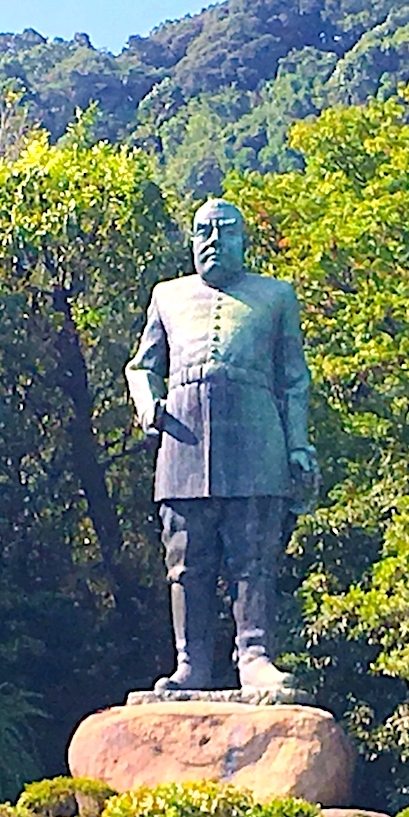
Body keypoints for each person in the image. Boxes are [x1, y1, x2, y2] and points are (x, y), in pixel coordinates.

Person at [126, 198, 318, 691]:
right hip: (183, 435)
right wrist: (148, 403)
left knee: (252, 554)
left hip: (255, 435)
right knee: (186, 558)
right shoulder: (167, 296)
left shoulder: (275, 296)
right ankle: (191, 663)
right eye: (202, 232)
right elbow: (142, 366)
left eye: (225, 231)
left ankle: (254, 656)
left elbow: (295, 378)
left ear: (243, 240)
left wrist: (298, 445)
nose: (212, 240)